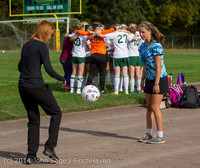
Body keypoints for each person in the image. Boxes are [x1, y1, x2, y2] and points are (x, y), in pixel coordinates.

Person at [18, 20, 66, 164]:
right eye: (51, 32)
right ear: (45, 31)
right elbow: (48, 69)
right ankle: (50, 147)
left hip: (23, 86)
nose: (52, 35)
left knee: (33, 120)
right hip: (36, 86)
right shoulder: (41, 46)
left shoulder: (27, 45)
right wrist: (62, 78)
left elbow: (20, 67)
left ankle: (31, 155)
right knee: (56, 113)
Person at [138, 21, 168, 144]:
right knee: (149, 107)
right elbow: (145, 65)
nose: (141, 34)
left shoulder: (156, 46)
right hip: (149, 79)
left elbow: (158, 66)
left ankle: (160, 136)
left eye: (143, 32)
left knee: (155, 107)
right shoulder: (142, 46)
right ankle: (149, 134)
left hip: (159, 79)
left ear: (150, 31)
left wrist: (156, 83)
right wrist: (142, 80)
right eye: (140, 32)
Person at [76, 22, 116, 94]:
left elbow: (78, 31)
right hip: (101, 55)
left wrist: (92, 32)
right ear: (97, 28)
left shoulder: (89, 33)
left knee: (92, 73)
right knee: (102, 73)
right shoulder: (102, 32)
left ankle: (87, 89)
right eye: (99, 27)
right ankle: (102, 90)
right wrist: (96, 33)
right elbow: (113, 29)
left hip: (93, 55)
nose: (101, 28)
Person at [98, 24, 136, 95]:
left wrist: (95, 33)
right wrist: (128, 32)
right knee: (125, 74)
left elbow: (102, 35)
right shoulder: (125, 34)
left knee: (117, 74)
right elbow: (134, 38)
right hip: (125, 55)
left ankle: (116, 91)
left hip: (117, 55)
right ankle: (126, 91)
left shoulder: (114, 34)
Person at [127, 23, 144, 94]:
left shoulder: (129, 35)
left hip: (131, 55)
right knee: (138, 74)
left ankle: (131, 90)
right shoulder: (139, 34)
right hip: (138, 55)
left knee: (131, 74)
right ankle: (139, 89)